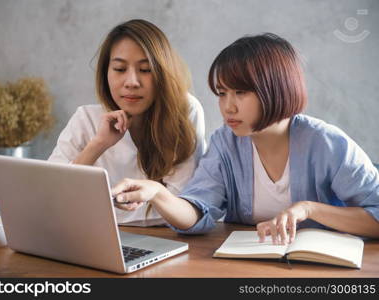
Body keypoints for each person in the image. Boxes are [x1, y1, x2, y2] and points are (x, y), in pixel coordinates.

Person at [112, 33, 379, 243]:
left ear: (276, 88)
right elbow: (197, 213)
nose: (228, 107)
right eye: (221, 93)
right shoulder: (225, 144)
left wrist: (309, 210)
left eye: (241, 92)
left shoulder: (326, 143)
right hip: (249, 266)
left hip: (322, 270)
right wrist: (158, 193)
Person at [49, 19, 206, 226]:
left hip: (167, 236)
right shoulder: (86, 118)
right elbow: (51, 197)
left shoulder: (185, 111)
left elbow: (185, 202)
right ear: (106, 73)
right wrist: (98, 144)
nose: (131, 82)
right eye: (120, 69)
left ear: (162, 73)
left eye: (145, 69)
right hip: (97, 234)